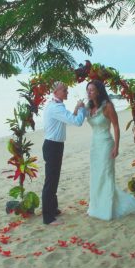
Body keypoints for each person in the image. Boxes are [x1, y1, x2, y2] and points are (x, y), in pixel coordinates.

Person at [86, 80, 135, 220]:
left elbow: (116, 127)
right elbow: (76, 118)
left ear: (99, 91)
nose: (89, 92)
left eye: (92, 90)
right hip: (95, 145)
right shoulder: (88, 107)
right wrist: (77, 107)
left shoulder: (108, 106)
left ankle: (106, 209)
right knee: (96, 176)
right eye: (87, 90)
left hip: (106, 144)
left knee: (106, 175)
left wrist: (116, 146)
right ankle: (96, 206)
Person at [42, 82, 86, 225]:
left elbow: (66, 119)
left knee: (54, 179)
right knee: (51, 181)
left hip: (54, 145)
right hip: (53, 146)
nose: (67, 92)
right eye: (65, 90)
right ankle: (48, 217)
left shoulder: (55, 105)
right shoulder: (56, 107)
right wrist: (82, 110)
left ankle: (53, 209)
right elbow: (78, 122)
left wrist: (75, 109)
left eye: (67, 90)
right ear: (56, 91)